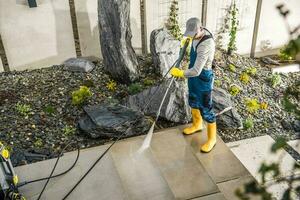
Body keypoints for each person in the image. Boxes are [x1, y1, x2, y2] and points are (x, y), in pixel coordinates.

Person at [170, 17, 216, 153]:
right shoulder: (196, 34)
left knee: (206, 108)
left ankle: (212, 139)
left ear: (200, 29)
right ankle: (197, 125)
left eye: (193, 35)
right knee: (193, 100)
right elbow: (193, 67)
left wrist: (180, 73)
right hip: (193, 75)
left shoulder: (206, 45)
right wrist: (186, 41)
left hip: (202, 77)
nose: (191, 37)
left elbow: (196, 70)